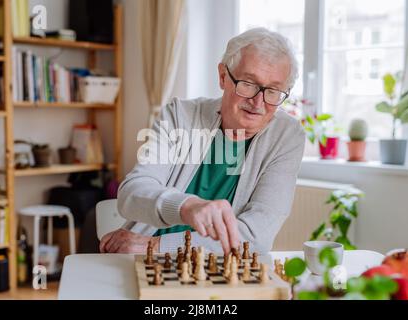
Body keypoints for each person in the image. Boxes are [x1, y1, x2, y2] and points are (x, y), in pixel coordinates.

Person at [99, 27, 305, 255]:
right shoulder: (180, 115)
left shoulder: (287, 135)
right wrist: (187, 206)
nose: (258, 102)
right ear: (223, 76)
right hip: (143, 261)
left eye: (273, 91)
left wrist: (157, 246)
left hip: (209, 266)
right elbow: (131, 193)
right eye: (248, 83)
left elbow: (256, 236)